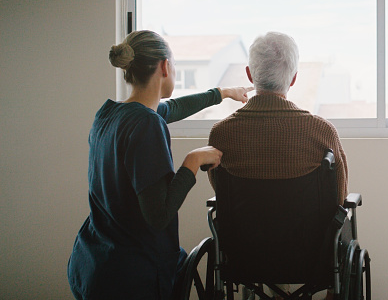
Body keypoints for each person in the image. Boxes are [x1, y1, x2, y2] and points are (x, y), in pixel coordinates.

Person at [67, 30, 252, 300]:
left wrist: (223, 93)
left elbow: (173, 108)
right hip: (132, 278)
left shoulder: (109, 114)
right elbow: (159, 216)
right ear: (165, 66)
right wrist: (193, 160)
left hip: (94, 261)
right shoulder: (146, 124)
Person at [207, 31, 347, 300]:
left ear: (249, 74)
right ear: (294, 78)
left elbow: (219, 186)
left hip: (245, 256)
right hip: (309, 257)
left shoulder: (221, 134)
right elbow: (338, 197)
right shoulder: (321, 132)